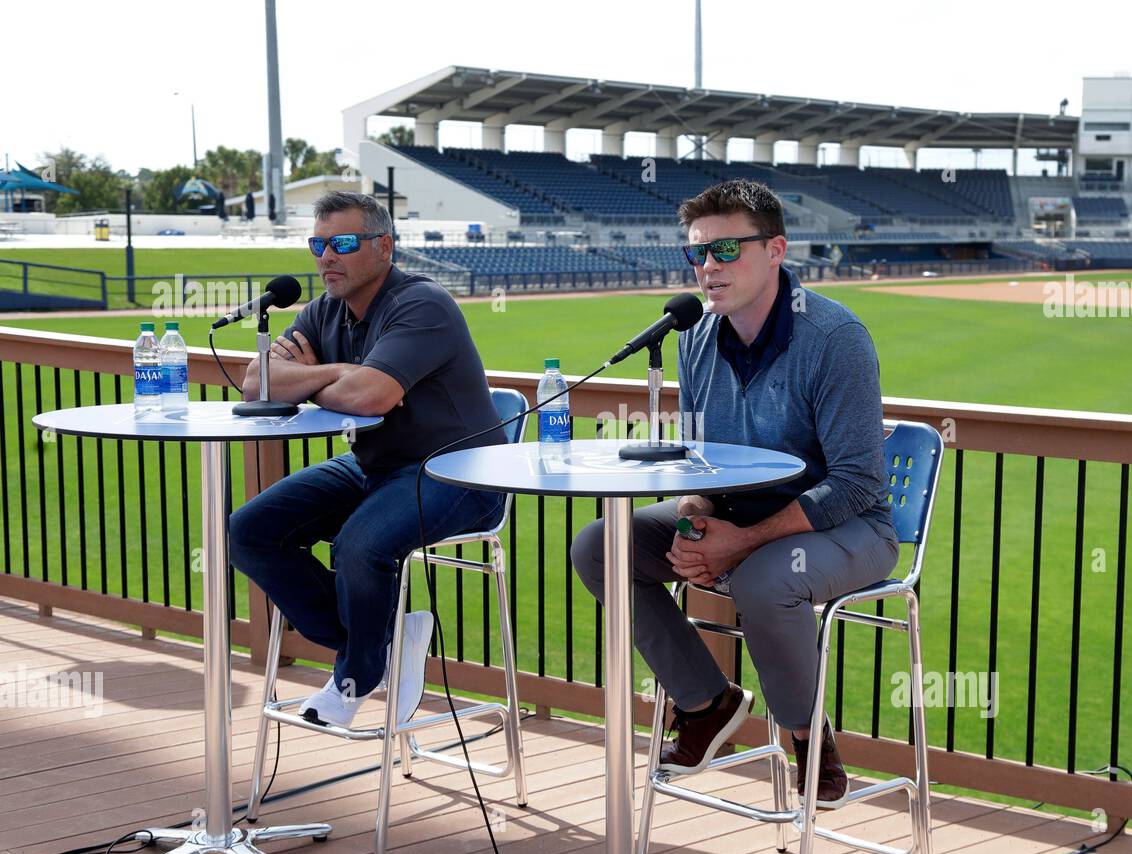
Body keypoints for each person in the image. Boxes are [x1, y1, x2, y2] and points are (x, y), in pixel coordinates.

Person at [571, 179, 898, 807]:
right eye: (697, 253)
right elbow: (698, 460)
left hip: (845, 527)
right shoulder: (695, 337)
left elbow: (858, 482)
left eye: (726, 251)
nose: (706, 267)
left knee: (764, 580)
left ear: (775, 250)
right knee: (599, 546)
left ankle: (810, 742)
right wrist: (697, 530)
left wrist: (738, 544)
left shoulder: (835, 338)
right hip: (735, 514)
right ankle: (706, 704)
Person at [229, 191, 506, 729]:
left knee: (359, 544)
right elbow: (255, 381)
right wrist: (340, 374)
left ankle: (356, 676)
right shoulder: (322, 308)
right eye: (318, 244)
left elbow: (368, 398)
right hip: (375, 466)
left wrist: (316, 377)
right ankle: (384, 641)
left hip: (458, 471)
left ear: (384, 247)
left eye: (343, 243)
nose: (326, 256)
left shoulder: (422, 303)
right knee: (248, 531)